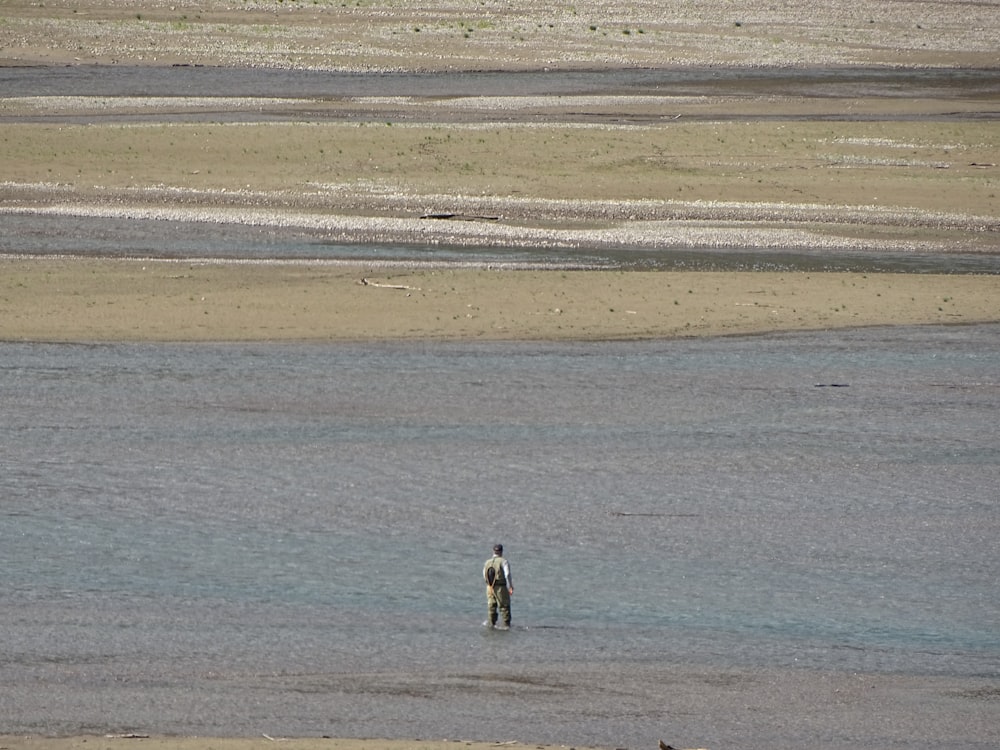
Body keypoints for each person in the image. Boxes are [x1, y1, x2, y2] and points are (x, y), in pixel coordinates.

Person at [483, 543, 513, 629]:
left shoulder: (487, 562)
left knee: (491, 606)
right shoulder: (504, 561)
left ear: (493, 551)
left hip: (489, 587)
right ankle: (506, 626)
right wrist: (510, 586)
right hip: (500, 587)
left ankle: (491, 625)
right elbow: (507, 574)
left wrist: (489, 584)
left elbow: (484, 574)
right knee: (504, 607)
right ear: (501, 552)